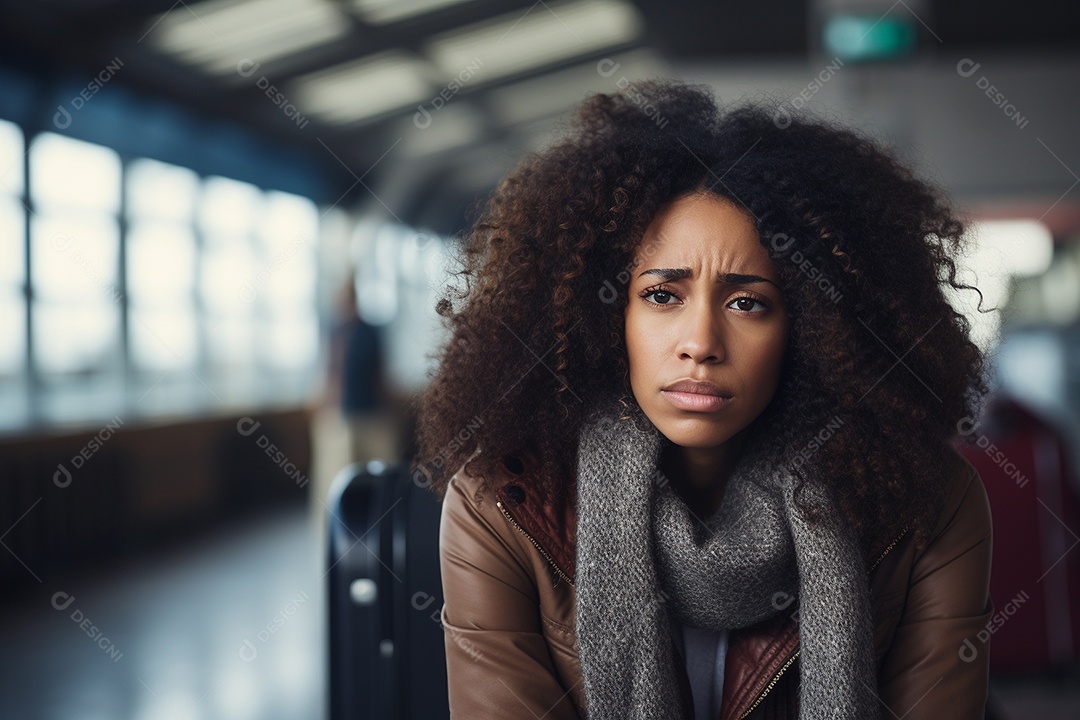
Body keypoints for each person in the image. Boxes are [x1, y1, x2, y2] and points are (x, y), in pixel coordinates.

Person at [411, 79, 994, 720]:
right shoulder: (502, 504)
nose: (701, 343)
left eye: (748, 303)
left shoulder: (930, 507)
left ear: (815, 328)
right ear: (607, 317)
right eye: (663, 295)